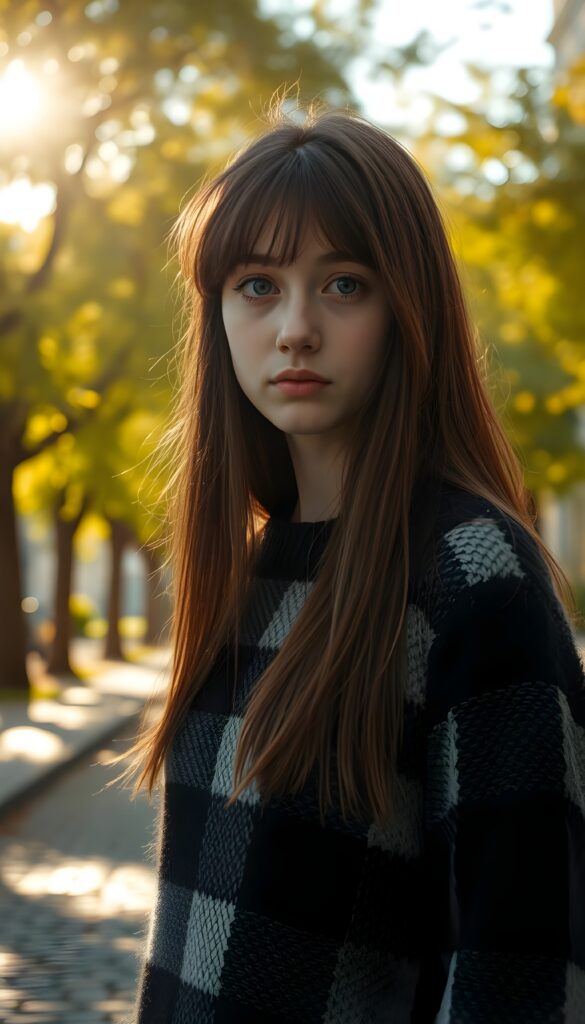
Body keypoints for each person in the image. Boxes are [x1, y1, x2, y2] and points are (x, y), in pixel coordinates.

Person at [105, 97, 585, 1023]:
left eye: (343, 284)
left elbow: (518, 975)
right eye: (257, 284)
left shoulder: (470, 579)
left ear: (409, 306)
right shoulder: (247, 572)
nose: (295, 327)